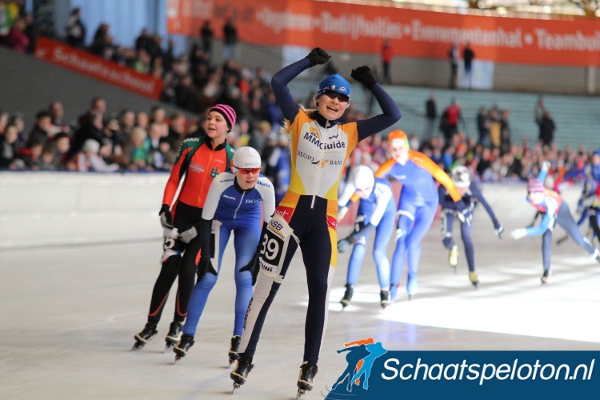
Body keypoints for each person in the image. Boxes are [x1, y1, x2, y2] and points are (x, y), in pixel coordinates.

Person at [230, 47, 401, 396]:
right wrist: (309, 62)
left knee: (320, 292)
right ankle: (245, 357)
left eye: (343, 98)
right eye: (331, 95)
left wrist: (372, 83)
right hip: (289, 215)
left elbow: (393, 114)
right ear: (318, 97)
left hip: (324, 221)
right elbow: (278, 81)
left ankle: (310, 364)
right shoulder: (299, 121)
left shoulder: (351, 132)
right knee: (265, 291)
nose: (336, 101)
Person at [132, 104, 236, 351]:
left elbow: (225, 198)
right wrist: (166, 206)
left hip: (206, 223)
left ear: (228, 127)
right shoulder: (190, 146)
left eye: (218, 119)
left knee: (189, 269)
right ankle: (151, 324)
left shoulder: (231, 157)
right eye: (209, 117)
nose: (211, 122)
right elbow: (173, 178)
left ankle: (178, 324)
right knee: (169, 268)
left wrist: (202, 225)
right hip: (180, 215)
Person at [173, 147, 275, 364]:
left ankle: (238, 337)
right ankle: (188, 334)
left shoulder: (266, 186)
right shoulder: (221, 182)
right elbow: (206, 220)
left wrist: (258, 257)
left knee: (245, 277)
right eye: (245, 170)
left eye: (255, 170)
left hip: (249, 223)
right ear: (234, 169)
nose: (251, 175)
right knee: (208, 276)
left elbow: (269, 226)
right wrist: (206, 257)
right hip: (220, 221)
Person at [374, 130, 466, 302]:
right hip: (407, 201)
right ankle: (393, 287)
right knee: (400, 242)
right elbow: (369, 182)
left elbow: (445, 179)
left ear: (407, 148)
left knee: (412, 241)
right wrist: (347, 203)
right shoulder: (389, 165)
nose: (396, 153)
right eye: (392, 149)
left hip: (428, 203)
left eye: (399, 148)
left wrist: (459, 204)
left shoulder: (420, 160)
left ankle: (412, 275)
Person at [510, 162, 600, 284]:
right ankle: (547, 270)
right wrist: (544, 169)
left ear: (541, 193)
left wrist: (524, 232)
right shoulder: (532, 195)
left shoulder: (549, 204)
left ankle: (594, 252)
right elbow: (538, 181)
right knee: (546, 237)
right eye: (530, 193)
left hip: (561, 210)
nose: (532, 197)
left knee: (577, 238)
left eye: (535, 194)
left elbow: (541, 228)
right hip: (548, 211)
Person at [336, 165, 396, 308]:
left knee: (378, 252)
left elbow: (372, 224)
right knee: (359, 249)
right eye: (359, 190)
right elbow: (339, 203)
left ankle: (384, 291)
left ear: (372, 183)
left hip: (386, 213)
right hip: (367, 208)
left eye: (366, 189)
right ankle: (349, 289)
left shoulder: (385, 190)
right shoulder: (354, 183)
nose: (363, 193)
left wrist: (349, 239)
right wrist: (342, 207)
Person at [439, 165, 503, 287]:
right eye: (458, 188)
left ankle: (472, 271)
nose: (462, 191)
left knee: (466, 237)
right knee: (446, 238)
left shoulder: (473, 188)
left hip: (466, 209)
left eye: (465, 188)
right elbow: (440, 201)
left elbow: (486, 205)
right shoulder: (445, 186)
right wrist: (459, 207)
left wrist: (496, 223)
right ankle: (452, 247)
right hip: (450, 208)